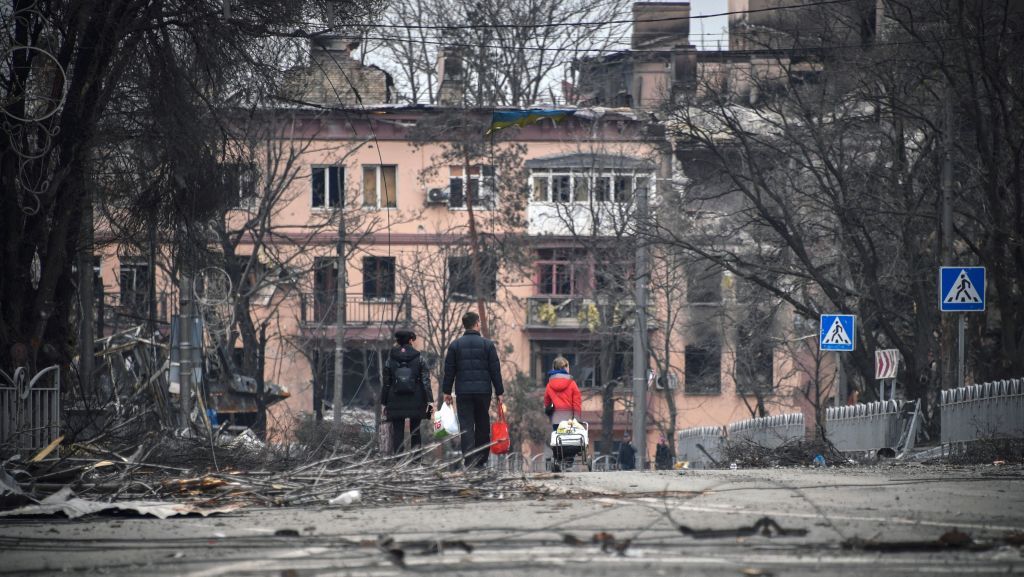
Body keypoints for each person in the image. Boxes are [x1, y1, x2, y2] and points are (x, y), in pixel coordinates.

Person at [442, 311, 504, 468]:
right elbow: (495, 370)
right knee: (482, 424)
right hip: (483, 392)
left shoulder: (455, 345)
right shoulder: (488, 345)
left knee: (466, 426)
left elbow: (449, 371)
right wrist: (499, 392)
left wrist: (447, 391)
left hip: (463, 392)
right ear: (476, 324)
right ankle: (481, 460)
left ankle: (469, 460)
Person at [381, 328, 432, 455]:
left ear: (398, 341)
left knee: (398, 432)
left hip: (395, 399)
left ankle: (399, 461)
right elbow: (426, 381)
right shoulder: (419, 357)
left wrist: (384, 402)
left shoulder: (390, 358)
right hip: (417, 400)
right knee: (415, 430)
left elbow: (386, 382)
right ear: (410, 340)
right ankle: (416, 461)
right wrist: (430, 402)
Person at [543, 357, 582, 431]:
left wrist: (550, 415)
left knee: (558, 440)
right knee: (569, 441)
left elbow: (547, 403)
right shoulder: (572, 384)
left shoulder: (549, 385)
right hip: (570, 421)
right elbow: (577, 402)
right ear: (565, 368)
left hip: (556, 419)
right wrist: (577, 418)